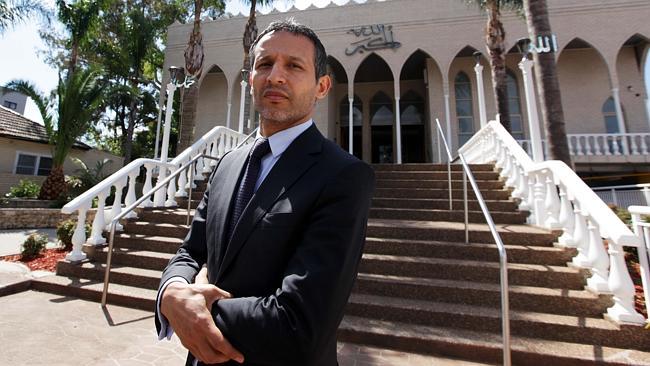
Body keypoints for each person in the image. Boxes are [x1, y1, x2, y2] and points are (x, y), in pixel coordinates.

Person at [155, 19, 375, 366]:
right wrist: (171, 291)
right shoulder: (227, 164)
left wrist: (193, 310)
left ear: (322, 86)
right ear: (250, 79)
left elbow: (299, 322)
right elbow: (189, 252)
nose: (275, 76)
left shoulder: (343, 176)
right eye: (264, 64)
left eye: (293, 65)